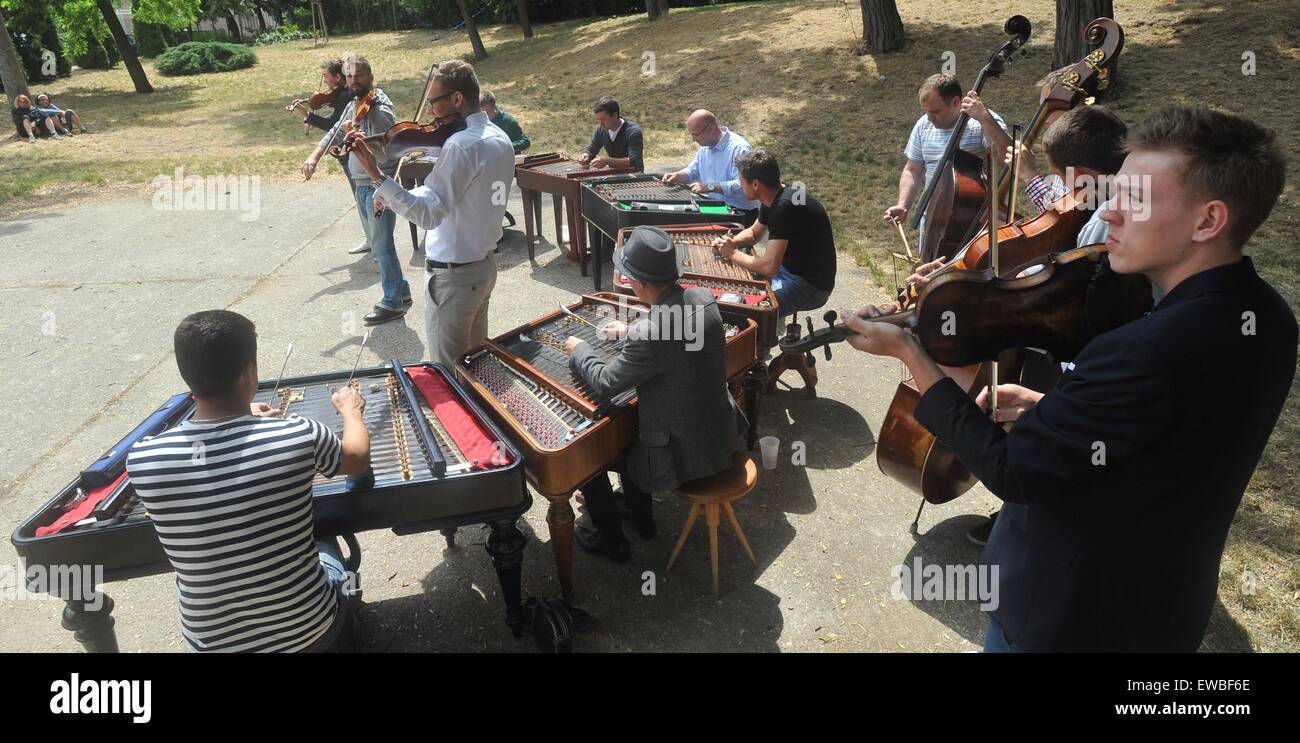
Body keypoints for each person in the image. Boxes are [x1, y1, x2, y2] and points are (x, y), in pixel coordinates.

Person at [843, 106, 1296, 652]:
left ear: (1208, 221)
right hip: (1163, 606)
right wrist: (1062, 417)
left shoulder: (1138, 350)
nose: (1113, 214)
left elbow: (1013, 473)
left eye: (1136, 199)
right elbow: (1172, 437)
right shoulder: (1268, 315)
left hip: (1070, 615)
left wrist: (912, 352)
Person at [126, 310, 371, 652]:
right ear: (249, 374)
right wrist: (351, 411)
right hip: (309, 635)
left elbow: (212, 466)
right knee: (324, 537)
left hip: (212, 645)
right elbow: (357, 458)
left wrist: (241, 414)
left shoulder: (143, 458)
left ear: (188, 376)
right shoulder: (298, 433)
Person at [563, 226, 748, 559]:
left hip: (685, 456)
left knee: (586, 457)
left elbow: (606, 381)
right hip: (721, 434)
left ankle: (612, 540)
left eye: (627, 275)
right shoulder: (703, 299)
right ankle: (642, 519)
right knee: (632, 432)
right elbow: (671, 329)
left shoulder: (649, 335)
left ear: (639, 283)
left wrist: (579, 350)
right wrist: (631, 328)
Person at [348, 60, 514, 369]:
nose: (428, 113)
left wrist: (376, 176)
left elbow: (428, 216)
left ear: (456, 100)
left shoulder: (461, 145)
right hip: (483, 269)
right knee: (477, 368)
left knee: (448, 374)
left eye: (433, 103)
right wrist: (396, 194)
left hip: (454, 279)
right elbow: (452, 196)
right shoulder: (498, 137)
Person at [301, 54, 411, 325]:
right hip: (361, 186)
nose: (352, 81)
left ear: (370, 77)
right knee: (378, 245)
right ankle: (402, 292)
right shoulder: (353, 104)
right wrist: (313, 157)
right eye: (349, 76)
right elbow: (334, 134)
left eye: (358, 75)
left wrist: (364, 141)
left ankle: (392, 302)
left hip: (377, 186)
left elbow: (389, 155)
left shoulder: (380, 111)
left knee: (382, 247)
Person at [883, 74, 1011, 255]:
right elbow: (913, 169)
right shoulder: (923, 126)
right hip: (933, 219)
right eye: (926, 111)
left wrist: (985, 119)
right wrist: (903, 205)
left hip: (974, 220)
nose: (929, 118)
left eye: (935, 112)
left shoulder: (983, 122)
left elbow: (1006, 158)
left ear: (956, 102)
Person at [713, 149, 836, 317]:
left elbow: (769, 267)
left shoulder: (783, 207)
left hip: (810, 286)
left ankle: (764, 336)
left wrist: (733, 253)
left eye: (742, 181)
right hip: (790, 270)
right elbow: (753, 234)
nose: (741, 185)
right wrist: (730, 242)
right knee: (743, 285)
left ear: (755, 184)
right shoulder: (775, 194)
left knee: (747, 312)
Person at [294, 58, 369, 256]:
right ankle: (372, 237)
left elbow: (333, 127)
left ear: (338, 77)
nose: (325, 82)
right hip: (348, 151)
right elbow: (335, 121)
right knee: (361, 194)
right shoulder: (343, 94)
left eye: (326, 77)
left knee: (360, 194)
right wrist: (307, 115)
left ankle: (373, 239)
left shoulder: (346, 94)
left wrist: (309, 116)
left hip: (349, 152)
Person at [661, 109, 760, 226]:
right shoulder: (705, 147)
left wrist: (710, 187)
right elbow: (693, 170)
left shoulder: (739, 148)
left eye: (696, 134)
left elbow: (743, 185)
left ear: (711, 128)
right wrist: (677, 175)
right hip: (714, 208)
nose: (694, 139)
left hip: (741, 212)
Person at [577, 96, 643, 172]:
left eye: (603, 119)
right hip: (614, 175)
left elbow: (634, 161)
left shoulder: (633, 131)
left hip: (635, 177)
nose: (601, 123)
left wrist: (607, 161)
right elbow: (592, 148)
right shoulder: (601, 130)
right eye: (598, 120)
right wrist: (586, 155)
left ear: (615, 116)